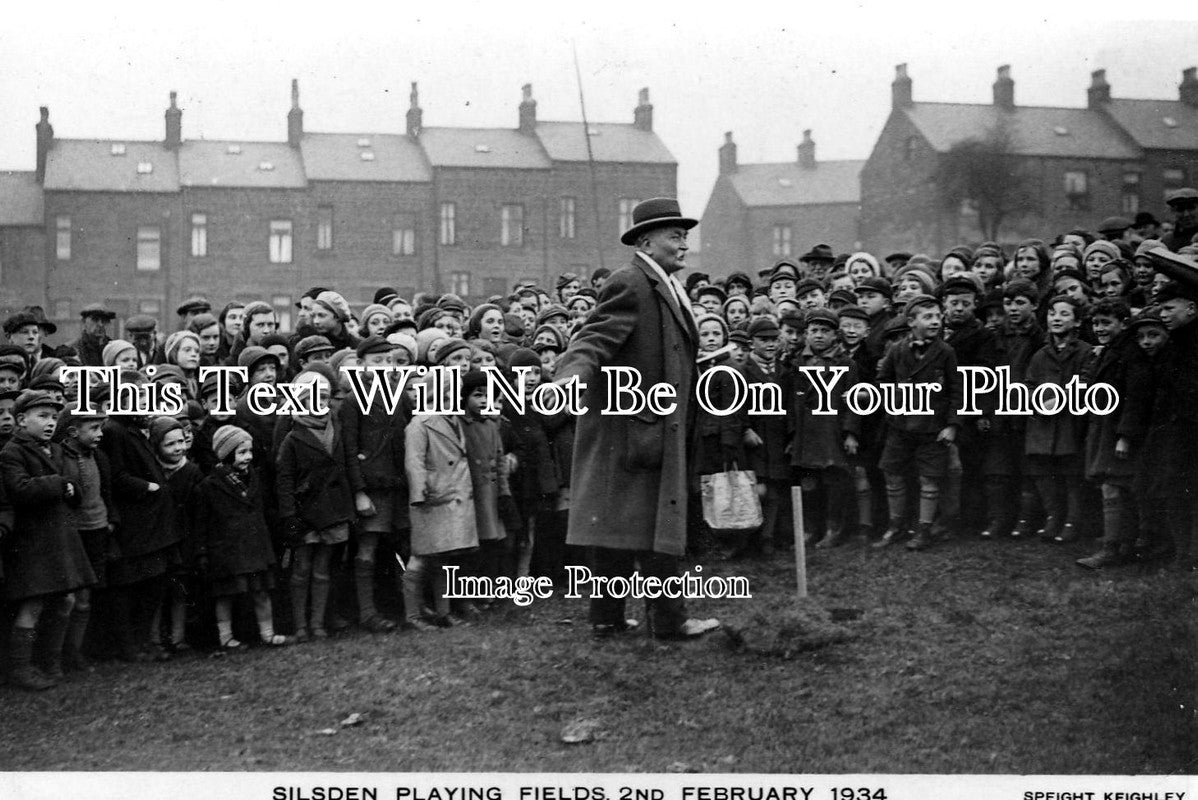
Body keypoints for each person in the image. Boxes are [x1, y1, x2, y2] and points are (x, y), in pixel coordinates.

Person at [553, 197, 718, 640]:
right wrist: (568, 377)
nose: (684, 244)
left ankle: (606, 620)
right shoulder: (632, 281)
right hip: (635, 431)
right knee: (654, 528)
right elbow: (594, 339)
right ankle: (669, 622)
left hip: (646, 428)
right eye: (676, 236)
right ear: (647, 240)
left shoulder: (662, 283)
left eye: (685, 236)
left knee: (618, 529)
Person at [1, 390, 96, 689]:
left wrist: (71, 489)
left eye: (54, 417)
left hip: (60, 537)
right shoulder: (11, 453)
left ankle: (51, 660)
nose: (49, 423)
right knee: (34, 603)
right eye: (42, 416)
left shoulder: (54, 450)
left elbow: (73, 489)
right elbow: (20, 489)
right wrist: (59, 484)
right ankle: (20, 667)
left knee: (66, 598)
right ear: (20, 420)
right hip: (33, 541)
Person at [197, 425, 290, 649]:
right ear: (226, 454)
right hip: (226, 549)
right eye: (241, 452)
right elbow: (201, 524)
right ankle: (225, 637)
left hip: (256, 545)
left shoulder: (256, 479)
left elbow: (265, 511)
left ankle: (268, 634)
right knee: (226, 594)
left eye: (249, 451)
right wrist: (202, 551)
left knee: (261, 591)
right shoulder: (209, 486)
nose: (248, 457)